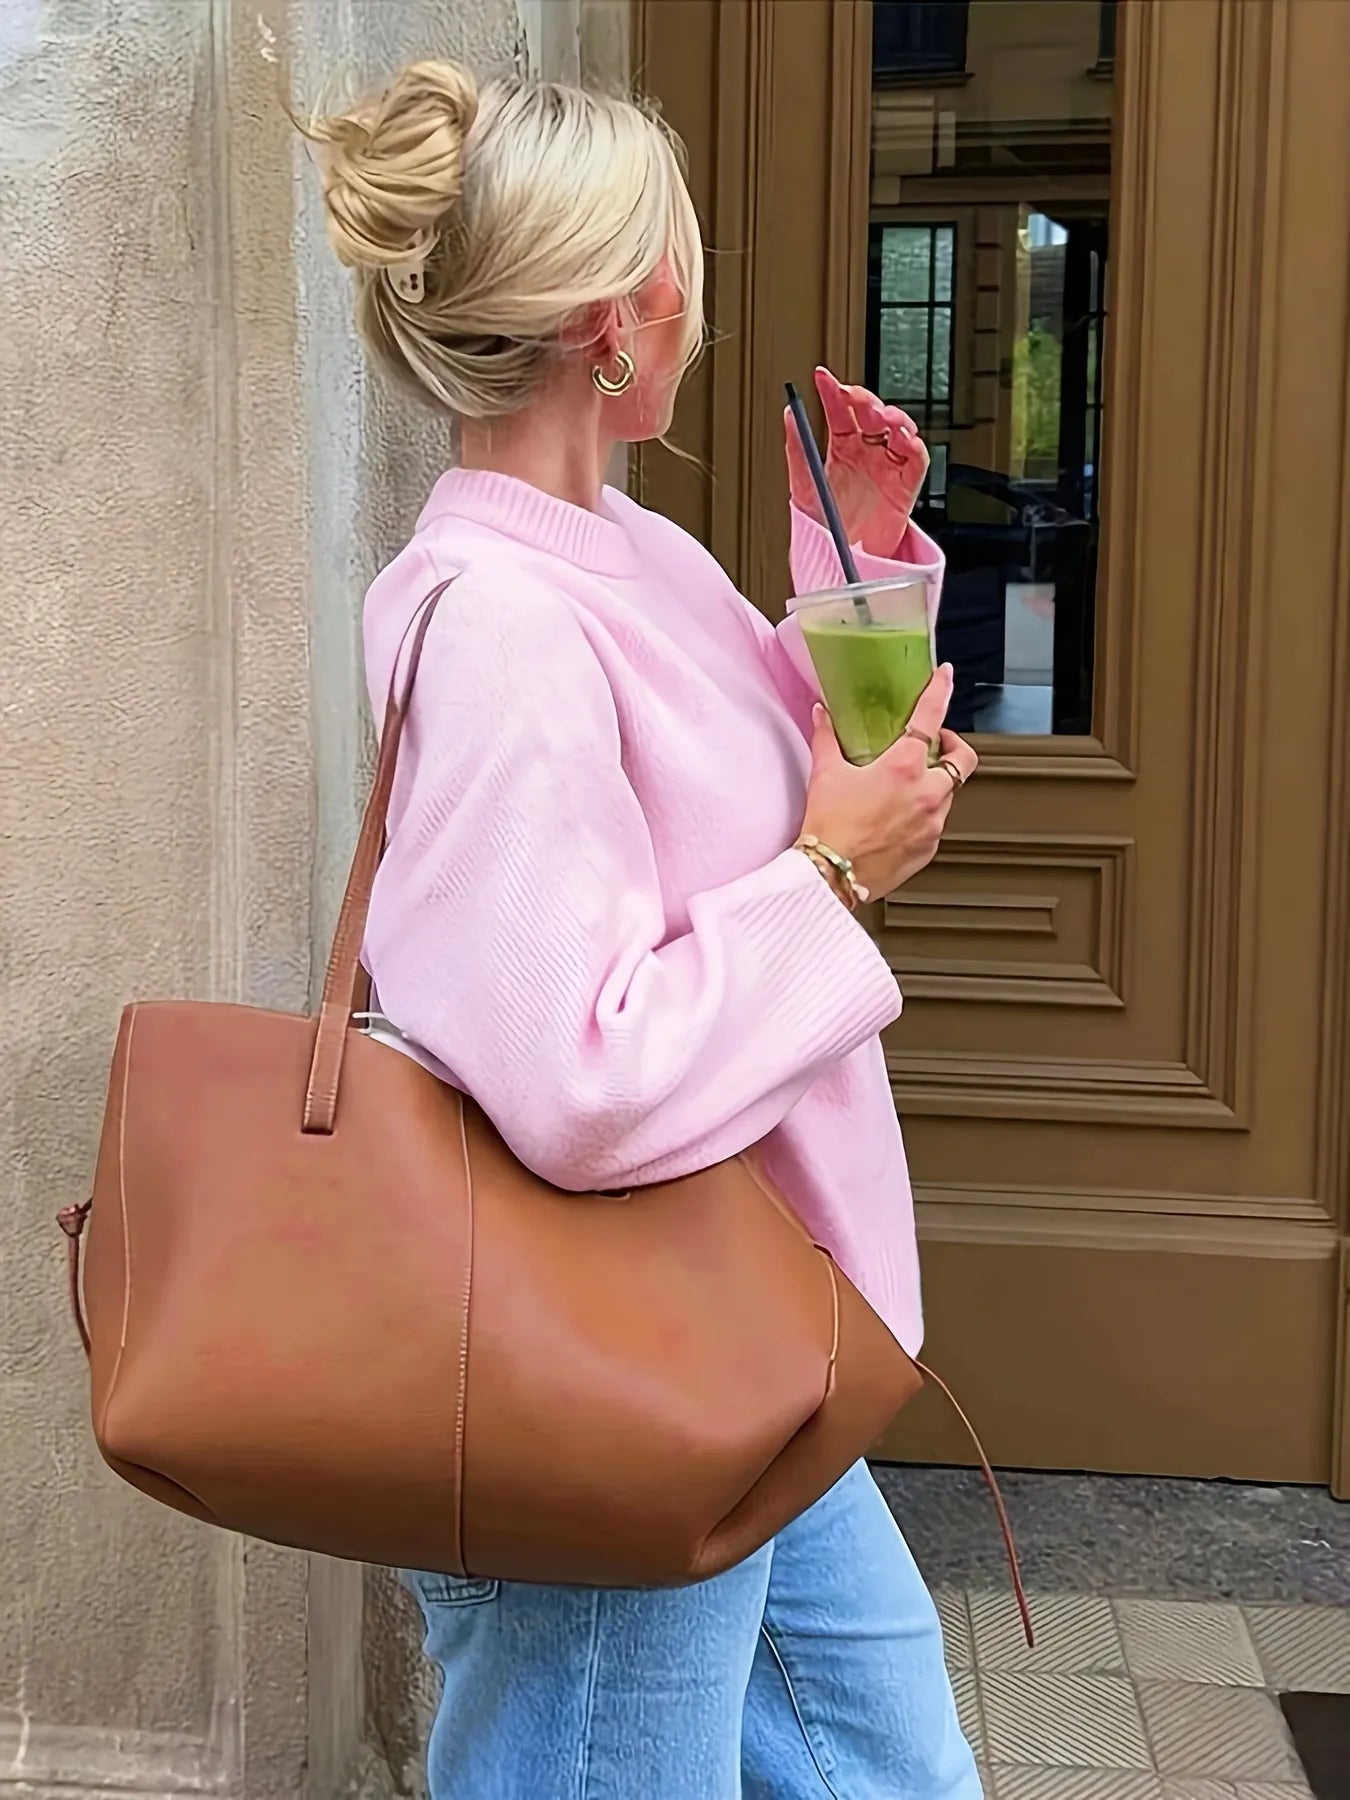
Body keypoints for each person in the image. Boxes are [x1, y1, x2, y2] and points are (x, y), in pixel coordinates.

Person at [301, 57, 981, 1800]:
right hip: (607, 1362)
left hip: (737, 1322)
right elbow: (577, 1076)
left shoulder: (630, 557)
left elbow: (794, 770)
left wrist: (863, 551)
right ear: (620, 323)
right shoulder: (502, 622)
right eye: (681, 261)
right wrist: (830, 878)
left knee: (898, 1773)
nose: (702, 294)